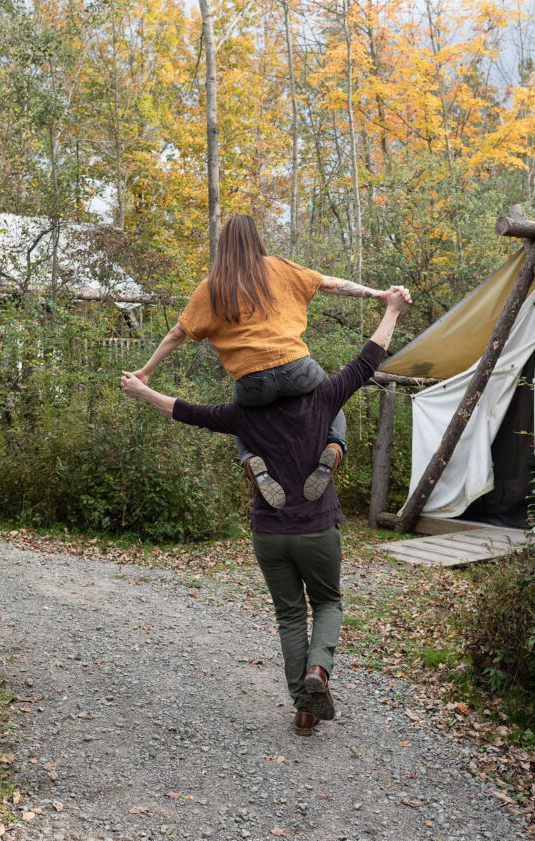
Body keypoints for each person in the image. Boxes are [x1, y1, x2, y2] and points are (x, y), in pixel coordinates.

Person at [121, 286, 411, 736]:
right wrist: (391, 309)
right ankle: (319, 672)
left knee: (290, 615)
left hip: (269, 532)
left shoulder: (245, 416)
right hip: (317, 526)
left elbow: (188, 411)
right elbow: (367, 360)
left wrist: (143, 390)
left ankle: (303, 709)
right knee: (329, 602)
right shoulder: (322, 398)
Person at [133, 214, 403, 507]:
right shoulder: (280, 268)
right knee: (332, 402)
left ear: (223, 246)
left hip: (253, 384)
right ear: (257, 239)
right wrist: (379, 295)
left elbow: (176, 333)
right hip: (298, 371)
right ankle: (335, 447)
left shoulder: (211, 287)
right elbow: (331, 284)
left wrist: (146, 371)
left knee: (241, 418)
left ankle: (250, 461)